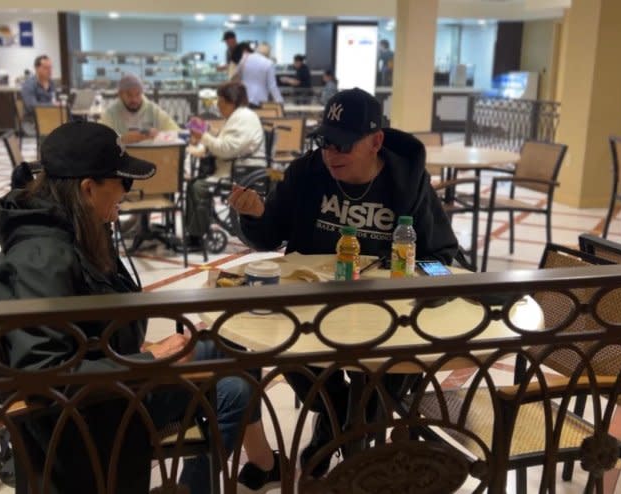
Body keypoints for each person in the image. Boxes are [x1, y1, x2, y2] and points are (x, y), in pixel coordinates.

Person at [0, 121, 278, 494]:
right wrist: (148, 360)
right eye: (122, 181)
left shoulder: (72, 224)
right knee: (233, 389)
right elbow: (47, 376)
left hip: (111, 372)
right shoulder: (42, 255)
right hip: (96, 408)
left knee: (236, 352)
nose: (129, 189)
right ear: (88, 189)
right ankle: (198, 485)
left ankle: (260, 465)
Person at [228, 88, 459, 477]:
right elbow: (269, 235)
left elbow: (440, 252)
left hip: (389, 314)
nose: (331, 154)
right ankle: (341, 428)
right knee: (292, 355)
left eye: (342, 145)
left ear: (376, 142)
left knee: (390, 376)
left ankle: (344, 447)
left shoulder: (408, 181)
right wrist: (254, 214)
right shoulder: (307, 173)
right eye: (324, 142)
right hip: (314, 308)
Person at [185, 82, 266, 250]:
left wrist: (204, 136)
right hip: (236, 168)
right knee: (194, 183)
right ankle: (194, 232)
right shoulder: (239, 116)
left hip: (241, 172)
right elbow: (227, 143)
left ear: (231, 101)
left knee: (197, 187)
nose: (218, 105)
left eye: (221, 101)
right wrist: (207, 131)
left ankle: (195, 236)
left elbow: (226, 149)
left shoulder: (243, 117)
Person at [101, 73, 179, 144]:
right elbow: (99, 140)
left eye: (138, 94)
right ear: (120, 94)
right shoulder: (111, 114)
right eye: (129, 95)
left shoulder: (153, 110)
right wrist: (122, 139)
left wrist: (158, 135)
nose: (134, 99)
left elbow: (175, 132)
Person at [20, 55, 57, 135]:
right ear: (37, 68)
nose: (50, 71)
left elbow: (54, 99)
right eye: (46, 68)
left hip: (50, 118)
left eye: (51, 68)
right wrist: (53, 105)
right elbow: (32, 106)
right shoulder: (29, 85)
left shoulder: (51, 83)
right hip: (32, 121)